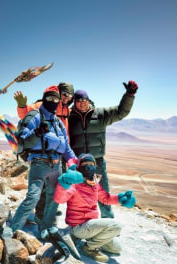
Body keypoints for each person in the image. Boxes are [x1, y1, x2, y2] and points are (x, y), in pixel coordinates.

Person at [10, 85, 77, 234]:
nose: (52, 101)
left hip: (57, 165)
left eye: (56, 99)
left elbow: (66, 147)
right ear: (44, 98)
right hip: (39, 164)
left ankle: (45, 227)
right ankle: (12, 229)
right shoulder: (36, 115)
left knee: (54, 198)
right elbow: (22, 140)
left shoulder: (58, 122)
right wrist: (37, 132)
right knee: (33, 198)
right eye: (49, 98)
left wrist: (74, 162)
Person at [68, 81, 138, 218]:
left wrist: (129, 95)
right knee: (79, 196)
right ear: (74, 102)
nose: (82, 102)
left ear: (89, 100)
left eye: (84, 100)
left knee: (103, 193)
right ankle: (80, 223)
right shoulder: (69, 117)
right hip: (78, 165)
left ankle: (108, 220)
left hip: (97, 162)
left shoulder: (101, 114)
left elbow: (121, 111)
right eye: (78, 100)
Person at [54, 153, 136, 263]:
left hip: (92, 224)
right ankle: (89, 248)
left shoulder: (94, 184)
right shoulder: (74, 183)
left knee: (116, 249)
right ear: (79, 166)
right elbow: (60, 199)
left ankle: (92, 240)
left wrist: (121, 199)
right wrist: (64, 184)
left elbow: (106, 198)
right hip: (78, 226)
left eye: (91, 164)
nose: (88, 166)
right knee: (116, 226)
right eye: (85, 164)